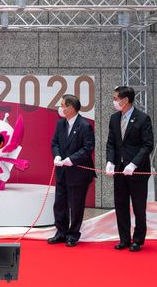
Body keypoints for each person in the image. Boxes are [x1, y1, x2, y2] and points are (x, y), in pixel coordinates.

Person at [105, 86, 153, 252]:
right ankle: (124, 239)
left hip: (137, 171)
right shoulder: (114, 118)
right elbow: (111, 143)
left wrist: (134, 163)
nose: (114, 101)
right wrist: (110, 162)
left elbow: (148, 145)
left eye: (116, 98)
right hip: (120, 170)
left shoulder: (143, 118)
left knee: (139, 207)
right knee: (121, 205)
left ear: (125, 100)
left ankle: (138, 240)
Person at [48, 94, 96, 247]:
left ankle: (73, 234)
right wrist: (57, 156)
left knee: (76, 205)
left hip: (78, 173)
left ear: (70, 108)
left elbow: (87, 148)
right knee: (59, 204)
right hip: (62, 172)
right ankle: (61, 232)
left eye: (62, 105)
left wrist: (71, 159)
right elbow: (54, 142)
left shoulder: (84, 125)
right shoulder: (60, 124)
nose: (60, 108)